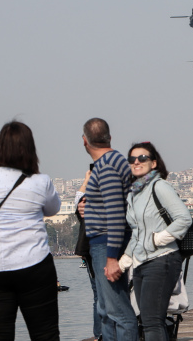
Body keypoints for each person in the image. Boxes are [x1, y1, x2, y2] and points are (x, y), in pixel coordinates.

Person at [0, 121, 62, 341]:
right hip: (34, 265)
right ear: (30, 150)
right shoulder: (41, 182)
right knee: (45, 334)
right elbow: (54, 209)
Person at [121, 142, 191, 341]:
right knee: (147, 319)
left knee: (152, 321)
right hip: (142, 262)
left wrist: (158, 239)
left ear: (153, 163)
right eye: (132, 159)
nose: (136, 162)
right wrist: (125, 259)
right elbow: (136, 231)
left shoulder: (159, 186)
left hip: (162, 258)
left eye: (142, 158)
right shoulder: (134, 194)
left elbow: (184, 219)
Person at [81, 118, 138, 341]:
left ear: (84, 141)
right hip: (104, 242)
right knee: (106, 311)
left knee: (118, 311)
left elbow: (115, 214)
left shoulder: (106, 167)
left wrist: (112, 257)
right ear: (109, 137)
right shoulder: (114, 162)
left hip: (106, 243)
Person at [75, 168, 102, 341]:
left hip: (100, 251)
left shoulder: (99, 203)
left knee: (100, 296)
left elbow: (79, 197)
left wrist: (86, 181)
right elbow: (78, 198)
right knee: (98, 296)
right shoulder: (84, 212)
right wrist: (86, 180)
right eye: (82, 202)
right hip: (91, 254)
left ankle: (102, 333)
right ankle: (100, 333)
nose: (83, 204)